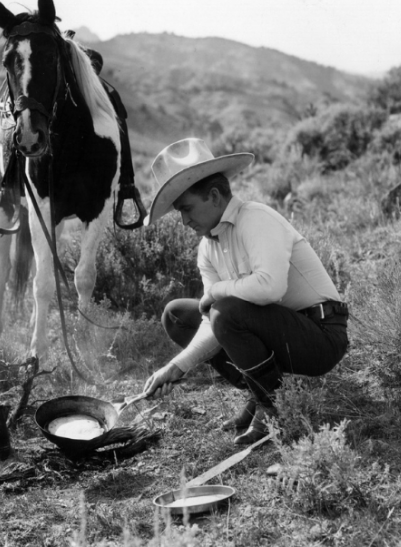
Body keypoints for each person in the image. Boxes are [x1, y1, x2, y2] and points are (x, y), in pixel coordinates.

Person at [140, 138, 349, 444]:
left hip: (320, 336)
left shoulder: (256, 218)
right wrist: (175, 367)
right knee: (178, 315)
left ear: (213, 196)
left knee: (223, 310)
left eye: (186, 209)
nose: (183, 221)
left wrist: (218, 293)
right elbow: (214, 322)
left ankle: (272, 405)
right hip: (279, 333)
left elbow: (270, 288)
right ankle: (261, 391)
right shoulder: (207, 248)